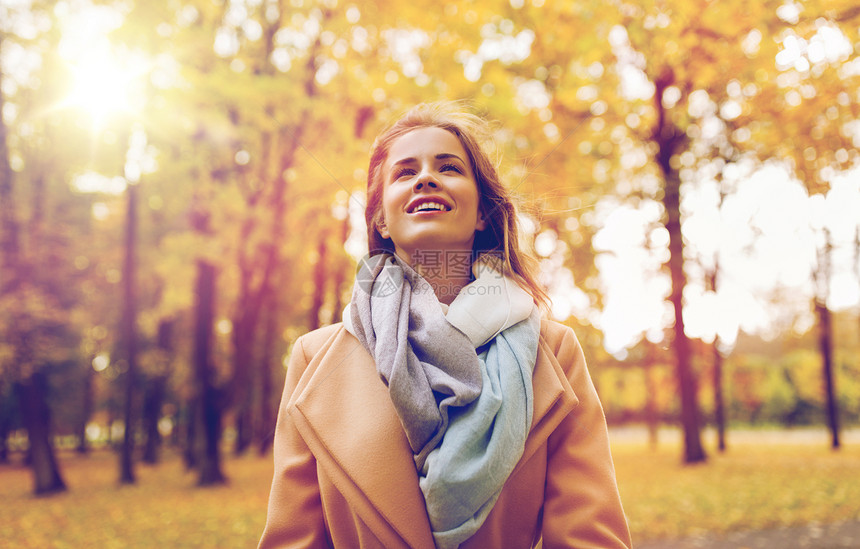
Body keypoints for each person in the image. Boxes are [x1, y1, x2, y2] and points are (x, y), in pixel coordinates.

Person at [259, 102, 631, 549]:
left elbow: (589, 539)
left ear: (482, 214)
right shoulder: (314, 357)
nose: (425, 178)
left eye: (448, 167)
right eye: (404, 172)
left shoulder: (553, 351)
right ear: (381, 217)